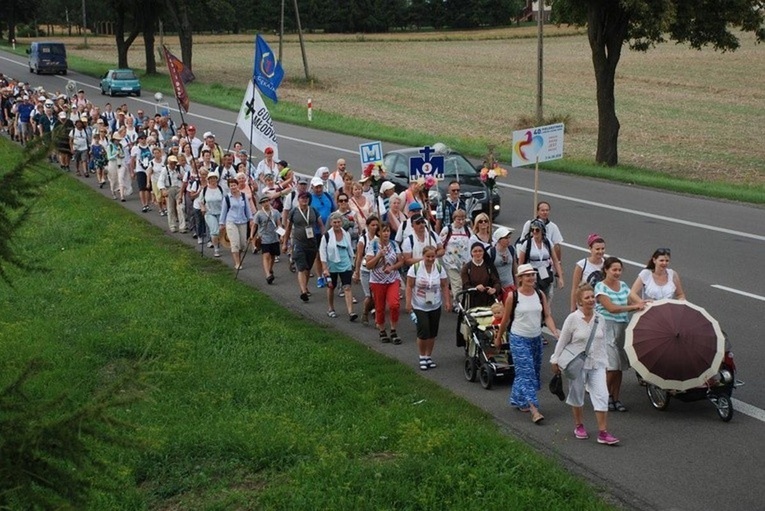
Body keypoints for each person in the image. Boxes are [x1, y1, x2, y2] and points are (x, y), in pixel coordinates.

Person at [551, 284, 620, 445]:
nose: (591, 300)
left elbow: (602, 343)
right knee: (577, 394)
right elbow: (563, 341)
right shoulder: (572, 319)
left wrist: (606, 363)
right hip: (577, 364)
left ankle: (603, 432)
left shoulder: (600, 319)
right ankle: (579, 425)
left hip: (597, 364)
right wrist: (555, 359)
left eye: (592, 297)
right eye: (587, 297)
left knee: (602, 395)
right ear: (579, 301)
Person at [495, 264, 559, 424]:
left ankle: (519, 399)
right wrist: (498, 337)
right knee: (527, 372)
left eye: (533, 275)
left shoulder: (540, 294)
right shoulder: (513, 296)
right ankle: (534, 409)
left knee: (532, 371)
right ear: (520, 278)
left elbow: (547, 316)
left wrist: (555, 331)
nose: (531, 278)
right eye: (527, 275)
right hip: (518, 338)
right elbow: (506, 319)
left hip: (536, 338)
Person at [595, 256, 647, 412]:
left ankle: (615, 398)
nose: (617, 273)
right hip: (607, 327)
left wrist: (644, 304)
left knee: (619, 367)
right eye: (614, 270)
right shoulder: (600, 287)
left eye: (619, 270)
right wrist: (633, 307)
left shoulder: (623, 285)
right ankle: (602, 397)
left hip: (622, 327)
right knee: (612, 366)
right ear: (606, 270)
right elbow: (611, 308)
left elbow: (634, 301)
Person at [406, 245, 451, 370]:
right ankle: (422, 356)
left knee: (432, 332)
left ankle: (428, 356)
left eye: (433, 256)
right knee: (423, 331)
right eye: (428, 256)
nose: (431, 259)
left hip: (435, 304)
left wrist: (447, 301)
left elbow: (444, 285)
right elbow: (409, 286)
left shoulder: (439, 268)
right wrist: (408, 303)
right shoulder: (415, 268)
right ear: (423, 256)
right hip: (419, 305)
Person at [366, 223, 404, 344]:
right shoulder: (373, 245)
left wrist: (392, 267)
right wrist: (378, 256)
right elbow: (368, 265)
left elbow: (401, 261)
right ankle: (382, 330)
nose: (386, 233)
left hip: (392, 279)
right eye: (383, 231)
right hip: (377, 281)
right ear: (378, 233)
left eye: (388, 231)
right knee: (380, 307)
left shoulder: (394, 245)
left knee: (394, 304)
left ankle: (393, 330)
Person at [283, 192, 324, 302]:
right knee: (301, 267)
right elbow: (288, 228)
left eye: (306, 198)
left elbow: (320, 225)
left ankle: (305, 287)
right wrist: (285, 243)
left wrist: (324, 238)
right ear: (298, 199)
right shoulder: (294, 212)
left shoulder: (313, 210)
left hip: (311, 243)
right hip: (298, 243)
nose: (304, 200)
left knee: (307, 267)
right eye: (302, 198)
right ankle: (303, 291)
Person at [320, 211, 358, 321]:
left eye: (338, 222)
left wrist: (352, 262)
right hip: (332, 264)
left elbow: (349, 248)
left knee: (347, 287)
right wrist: (325, 268)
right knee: (331, 286)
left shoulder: (346, 234)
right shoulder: (327, 236)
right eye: (335, 222)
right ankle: (331, 308)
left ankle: (351, 312)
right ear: (331, 223)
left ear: (341, 222)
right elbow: (322, 252)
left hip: (345, 262)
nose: (337, 224)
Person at [517, 218, 565, 302]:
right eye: (532, 230)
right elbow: (521, 264)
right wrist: (520, 280)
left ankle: (546, 312)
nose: (534, 232)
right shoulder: (527, 244)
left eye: (537, 230)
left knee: (547, 296)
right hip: (532, 274)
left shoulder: (547, 242)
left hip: (544, 272)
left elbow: (555, 261)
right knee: (535, 297)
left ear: (542, 230)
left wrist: (560, 277)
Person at [219, 178, 255, 270]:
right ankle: (237, 263)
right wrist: (221, 223)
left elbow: (247, 208)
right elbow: (223, 211)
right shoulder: (227, 198)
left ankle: (239, 256)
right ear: (229, 187)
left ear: (237, 185)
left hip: (242, 221)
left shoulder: (243, 196)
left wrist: (251, 219)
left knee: (242, 244)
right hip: (231, 222)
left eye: (234, 185)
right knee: (235, 243)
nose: (233, 187)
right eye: (231, 186)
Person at [439, 209, 471, 309]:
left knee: (463, 284)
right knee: (457, 284)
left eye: (463, 219)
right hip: (451, 262)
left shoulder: (467, 230)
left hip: (465, 263)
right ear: (454, 219)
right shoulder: (447, 230)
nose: (461, 222)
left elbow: (472, 243)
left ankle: (459, 301)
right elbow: (440, 244)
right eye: (458, 219)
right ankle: (458, 306)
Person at [521, 201, 564, 267]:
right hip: (531, 261)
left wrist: (558, 263)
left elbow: (557, 246)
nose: (545, 212)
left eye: (547, 210)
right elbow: (522, 241)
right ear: (537, 211)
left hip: (546, 262)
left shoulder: (553, 226)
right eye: (542, 210)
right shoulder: (529, 224)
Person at [354, 215, 380, 326]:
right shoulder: (363, 239)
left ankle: (376, 314)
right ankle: (365, 312)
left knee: (376, 295)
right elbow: (359, 256)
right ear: (368, 226)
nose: (375, 227)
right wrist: (356, 272)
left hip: (377, 271)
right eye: (372, 225)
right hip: (365, 271)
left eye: (376, 225)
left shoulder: (380, 239)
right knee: (369, 295)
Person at [570, 234, 607, 312]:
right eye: (597, 249)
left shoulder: (607, 264)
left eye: (602, 248)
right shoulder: (581, 265)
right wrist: (573, 308)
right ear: (590, 249)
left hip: (601, 306)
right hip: (585, 305)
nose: (600, 251)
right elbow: (575, 288)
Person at [460, 242, 501, 308]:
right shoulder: (467, 268)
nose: (478, 253)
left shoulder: (489, 267)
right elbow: (465, 286)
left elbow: (497, 282)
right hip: (472, 301)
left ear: (483, 252)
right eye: (475, 251)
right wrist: (475, 288)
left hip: (488, 300)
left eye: (480, 251)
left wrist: (494, 289)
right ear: (471, 253)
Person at [254, 195, 282, 284]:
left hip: (274, 237)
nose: (266, 203)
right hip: (264, 237)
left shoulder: (276, 212)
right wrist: (252, 235)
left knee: (273, 255)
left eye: (267, 201)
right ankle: (267, 275)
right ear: (261, 204)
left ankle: (270, 269)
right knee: (266, 255)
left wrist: (282, 236)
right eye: (264, 202)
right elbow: (255, 225)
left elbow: (279, 224)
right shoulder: (259, 214)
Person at [157, 155, 187, 233]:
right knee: (170, 208)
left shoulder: (180, 169)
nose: (173, 165)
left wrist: (182, 177)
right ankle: (172, 225)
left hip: (179, 189)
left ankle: (182, 226)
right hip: (169, 189)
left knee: (180, 207)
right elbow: (160, 181)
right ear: (168, 163)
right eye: (171, 163)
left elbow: (185, 178)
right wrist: (163, 189)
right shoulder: (165, 170)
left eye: (174, 163)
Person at [489, 226, 517, 300]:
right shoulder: (491, 252)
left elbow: (515, 268)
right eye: (505, 238)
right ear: (499, 239)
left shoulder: (512, 249)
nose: (508, 240)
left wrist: (517, 286)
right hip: (497, 288)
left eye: (509, 237)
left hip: (510, 286)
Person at [200, 172, 224, 257]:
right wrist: (203, 208)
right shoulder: (205, 189)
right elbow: (201, 201)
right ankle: (216, 249)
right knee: (215, 231)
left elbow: (225, 200)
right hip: (209, 213)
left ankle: (217, 242)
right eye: (211, 179)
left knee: (221, 231)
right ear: (208, 180)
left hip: (220, 212)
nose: (213, 180)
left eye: (214, 178)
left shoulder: (220, 189)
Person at [106, 132, 126, 201]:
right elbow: (109, 157)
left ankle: (122, 196)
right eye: (117, 140)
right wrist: (115, 155)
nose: (118, 141)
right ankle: (113, 192)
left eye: (119, 140)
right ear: (114, 140)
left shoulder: (120, 146)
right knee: (113, 180)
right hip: (112, 164)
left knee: (121, 178)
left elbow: (123, 154)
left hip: (120, 163)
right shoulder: (110, 147)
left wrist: (120, 155)